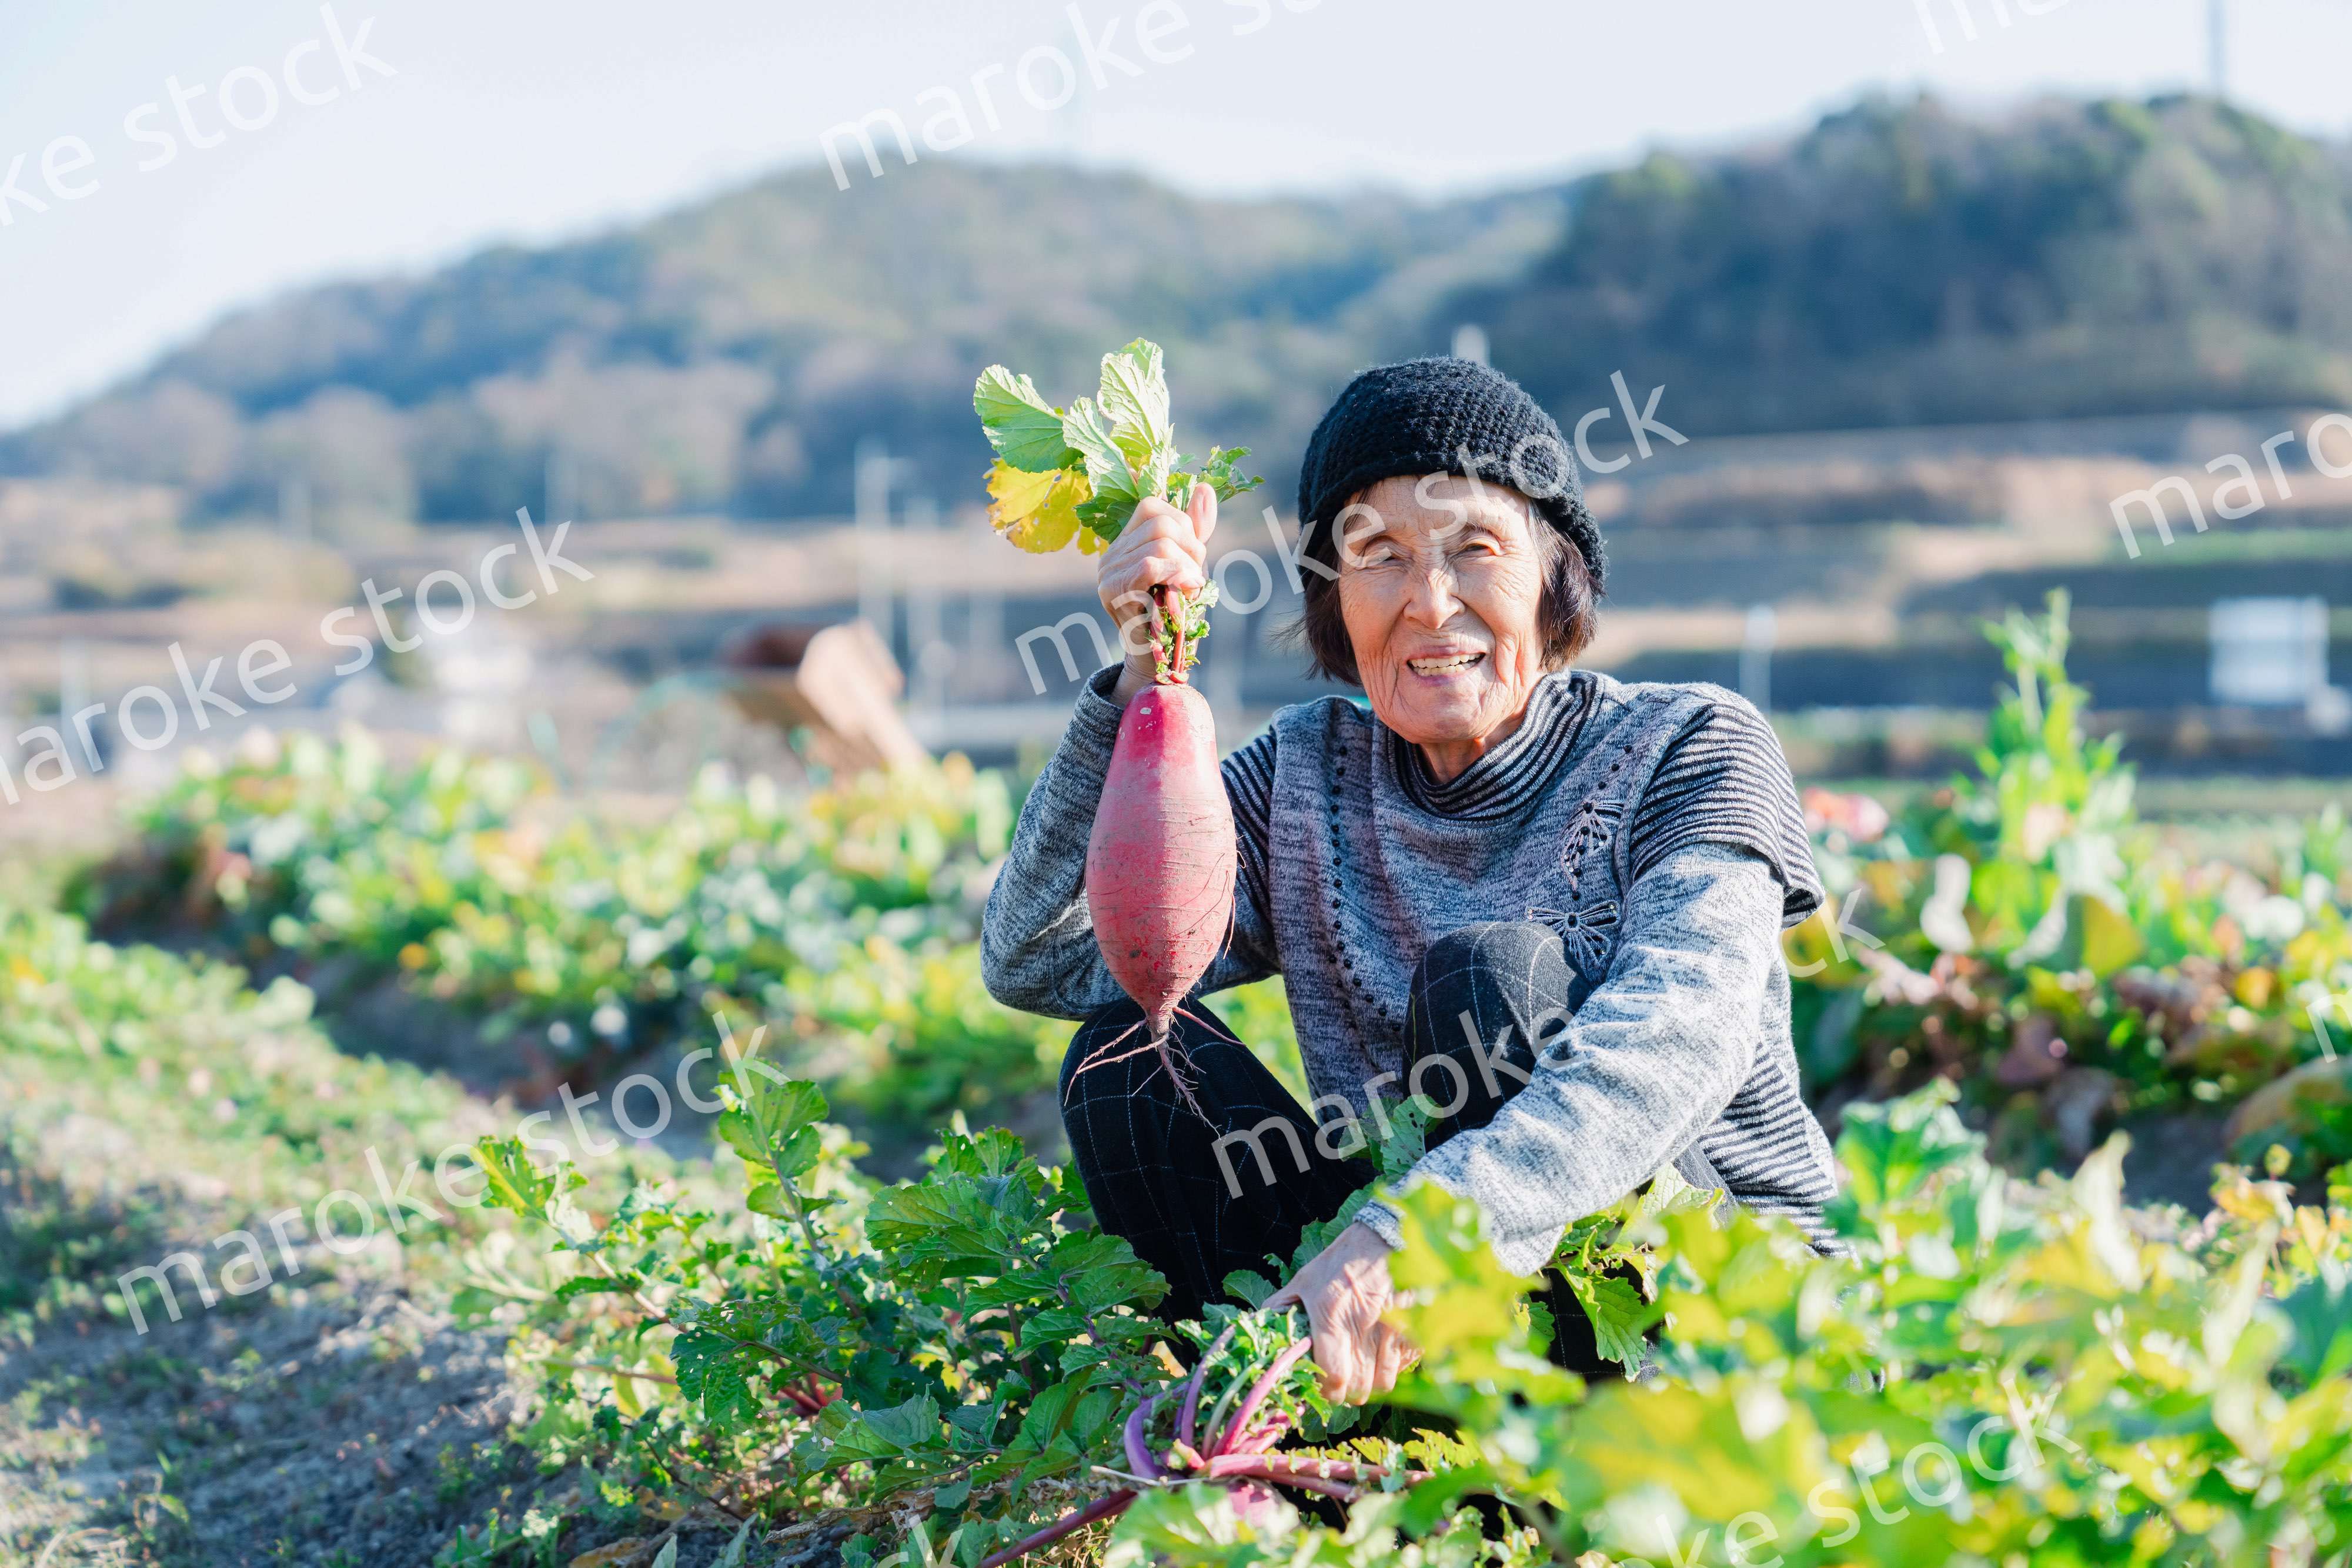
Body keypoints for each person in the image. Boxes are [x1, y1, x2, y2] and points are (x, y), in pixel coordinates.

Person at [981, 357, 1838, 1403]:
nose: (1431, 605)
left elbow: (1680, 1040)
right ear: (1333, 602)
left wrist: (1418, 1231)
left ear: (1554, 573)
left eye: (1475, 549)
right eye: (1377, 556)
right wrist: (1138, 687)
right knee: (1126, 1067)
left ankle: (1558, 1478)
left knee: (1494, 981)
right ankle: (1331, 1438)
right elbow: (1047, 959)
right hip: (1407, 1291)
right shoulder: (1305, 776)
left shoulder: (1690, 745)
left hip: (1713, 1322)